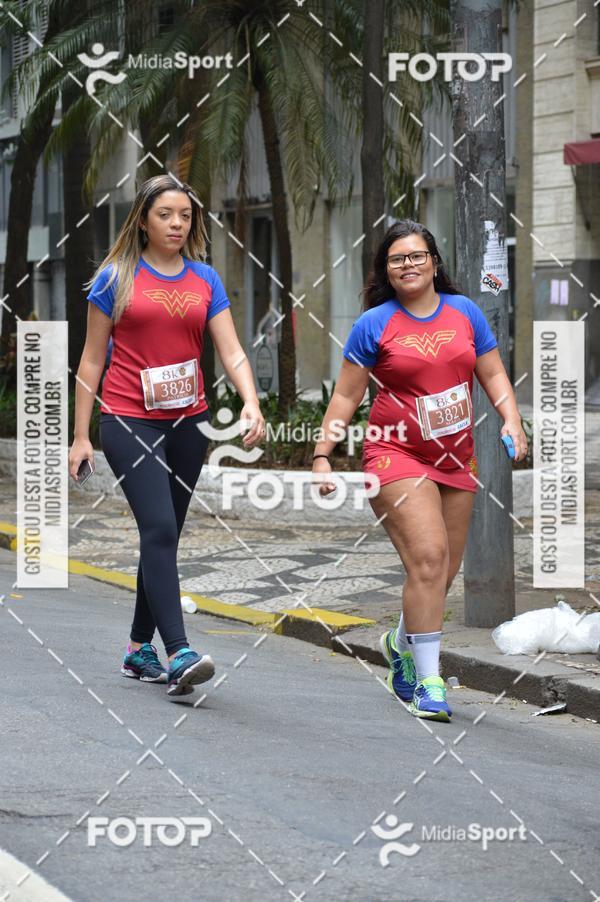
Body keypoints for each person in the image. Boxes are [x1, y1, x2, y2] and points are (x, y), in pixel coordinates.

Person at [312, 220, 527, 722]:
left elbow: (492, 371)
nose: (408, 264)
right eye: (397, 259)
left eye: (416, 255)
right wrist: (323, 454)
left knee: (441, 573)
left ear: (434, 262)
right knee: (429, 559)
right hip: (395, 455)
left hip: (456, 458)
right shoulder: (374, 324)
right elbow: (345, 395)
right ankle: (429, 681)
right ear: (386, 270)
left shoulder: (465, 312)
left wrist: (512, 419)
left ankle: (399, 642)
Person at [68, 175, 265, 700]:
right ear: (143, 220)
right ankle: (179, 652)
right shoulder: (116, 278)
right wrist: (81, 436)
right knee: (157, 527)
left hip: (189, 423)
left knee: (165, 535)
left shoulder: (205, 279)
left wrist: (250, 400)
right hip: (128, 420)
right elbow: (91, 360)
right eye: (165, 214)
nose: (176, 224)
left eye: (185, 215)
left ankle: (138, 648)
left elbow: (231, 350)